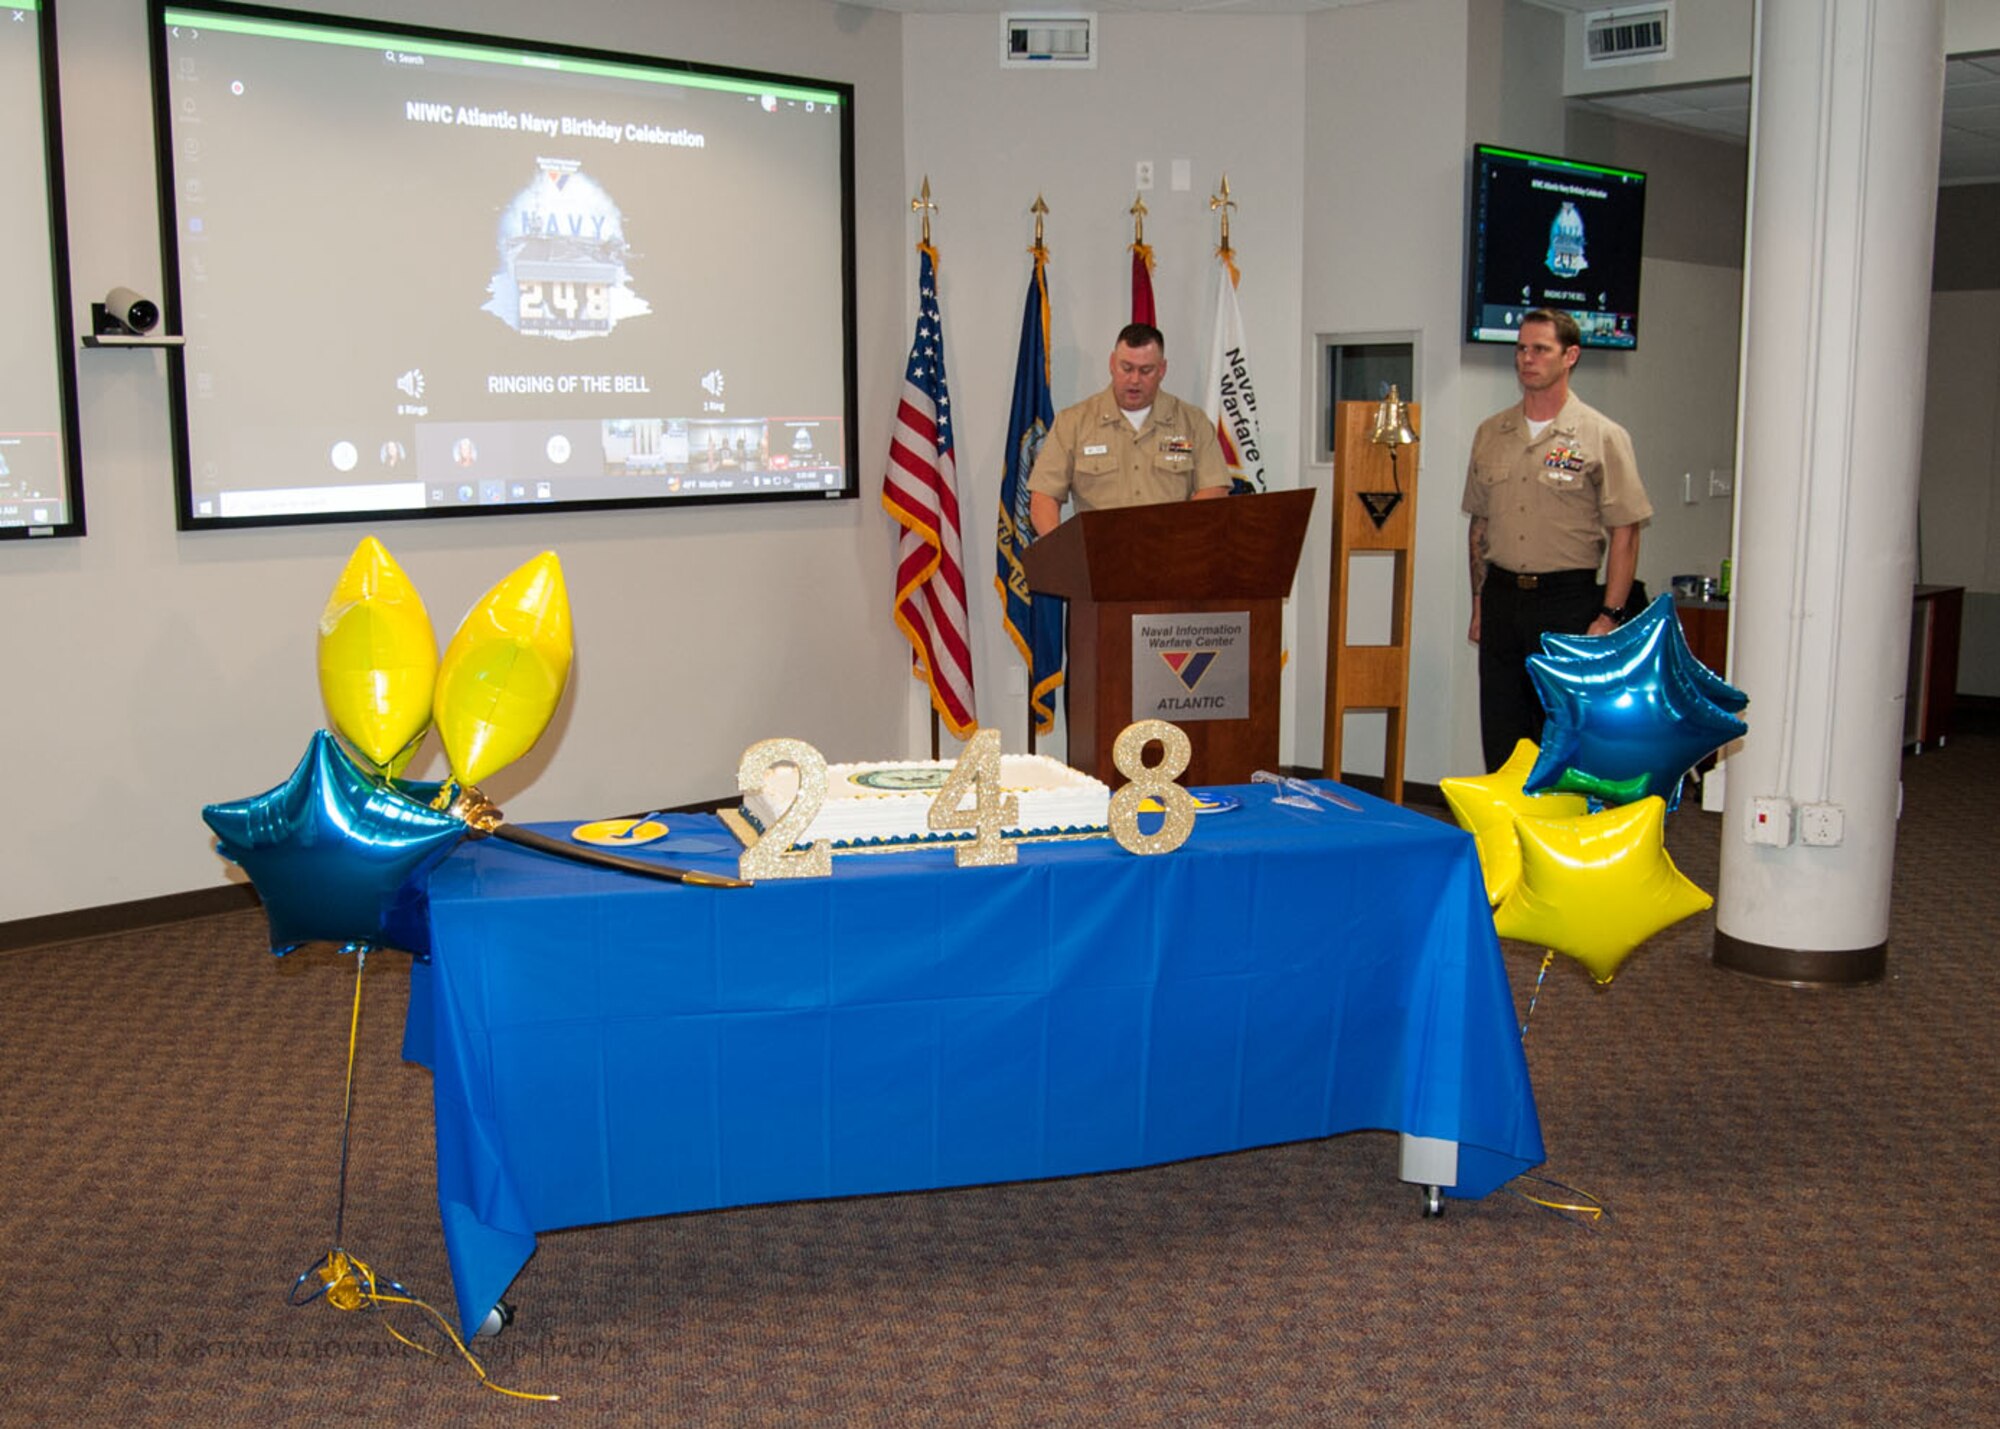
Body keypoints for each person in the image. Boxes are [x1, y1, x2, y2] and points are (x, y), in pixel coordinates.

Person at [1462, 308, 1653, 772]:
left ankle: (1561, 839)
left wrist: (1609, 615)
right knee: (1504, 734)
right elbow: (1480, 527)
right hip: (1504, 598)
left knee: (1564, 736)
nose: (1527, 359)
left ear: (1570, 356)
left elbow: (1625, 531)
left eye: (1540, 349)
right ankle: (1508, 838)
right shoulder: (1491, 433)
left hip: (1568, 601)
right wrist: (1480, 606)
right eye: (1522, 349)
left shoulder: (1601, 435)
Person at [1028, 322, 1231, 535]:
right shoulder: (1073, 423)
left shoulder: (1193, 422)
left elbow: (1215, 489)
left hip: (1172, 556)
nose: (1134, 380)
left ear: (1162, 369)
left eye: (1146, 370)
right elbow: (1043, 498)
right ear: (1112, 364)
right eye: (1127, 368)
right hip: (1099, 557)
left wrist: (1175, 534)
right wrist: (1064, 552)